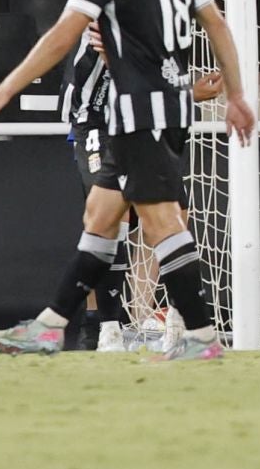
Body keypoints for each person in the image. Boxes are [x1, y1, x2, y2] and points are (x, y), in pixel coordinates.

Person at [0, 0, 257, 361]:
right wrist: (236, 95)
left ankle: (202, 337)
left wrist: (2, 91)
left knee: (162, 223)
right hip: (170, 105)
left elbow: (63, 36)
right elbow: (216, 24)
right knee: (100, 214)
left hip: (136, 111)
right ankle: (50, 325)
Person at [64, 22, 225, 353]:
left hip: (140, 118)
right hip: (95, 120)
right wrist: (191, 93)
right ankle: (106, 329)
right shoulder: (111, 7)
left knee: (175, 213)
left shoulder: (164, 14)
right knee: (110, 213)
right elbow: (129, 72)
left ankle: (174, 324)